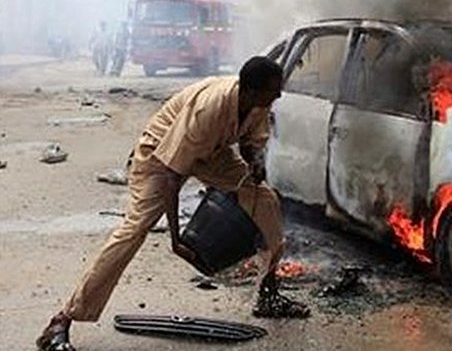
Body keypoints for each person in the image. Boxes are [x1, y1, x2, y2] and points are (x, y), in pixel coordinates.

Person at [36, 57, 308, 351]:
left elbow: (249, 142)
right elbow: (171, 175)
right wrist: (176, 239)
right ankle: (61, 320)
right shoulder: (209, 108)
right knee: (134, 231)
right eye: (273, 91)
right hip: (160, 156)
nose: (278, 96)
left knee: (264, 199)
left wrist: (253, 162)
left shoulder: (258, 102)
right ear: (252, 91)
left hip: (209, 152)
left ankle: (268, 295)